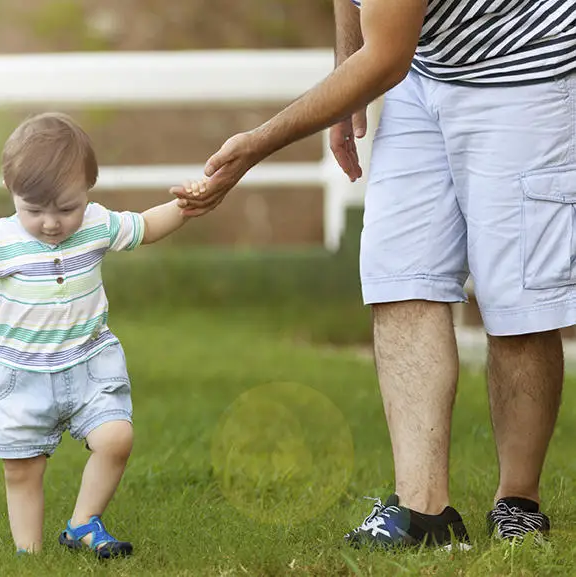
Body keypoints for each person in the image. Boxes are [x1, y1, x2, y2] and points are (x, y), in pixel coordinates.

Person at [171, 0, 576, 550]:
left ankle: (518, 502)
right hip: (425, 70)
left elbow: (387, 56)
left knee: (518, 302)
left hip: (525, 70)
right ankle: (424, 512)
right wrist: (347, 75)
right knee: (399, 274)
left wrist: (256, 146)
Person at [0, 112, 202, 557]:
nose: (51, 223)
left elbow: (146, 227)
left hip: (91, 361)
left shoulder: (95, 224)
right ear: (10, 190)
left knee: (116, 439)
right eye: (34, 210)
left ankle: (82, 523)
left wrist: (184, 208)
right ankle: (29, 553)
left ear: (88, 190)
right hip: (24, 374)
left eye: (66, 208)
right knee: (21, 467)